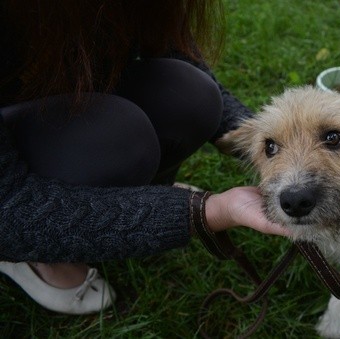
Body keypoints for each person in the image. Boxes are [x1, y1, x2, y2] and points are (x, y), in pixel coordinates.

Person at [0, 0, 289, 315]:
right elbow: (6, 206)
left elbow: (172, 47)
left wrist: (263, 143)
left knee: (193, 96)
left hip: (70, 91)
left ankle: (145, 201)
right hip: (9, 187)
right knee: (120, 135)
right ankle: (35, 256)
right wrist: (199, 214)